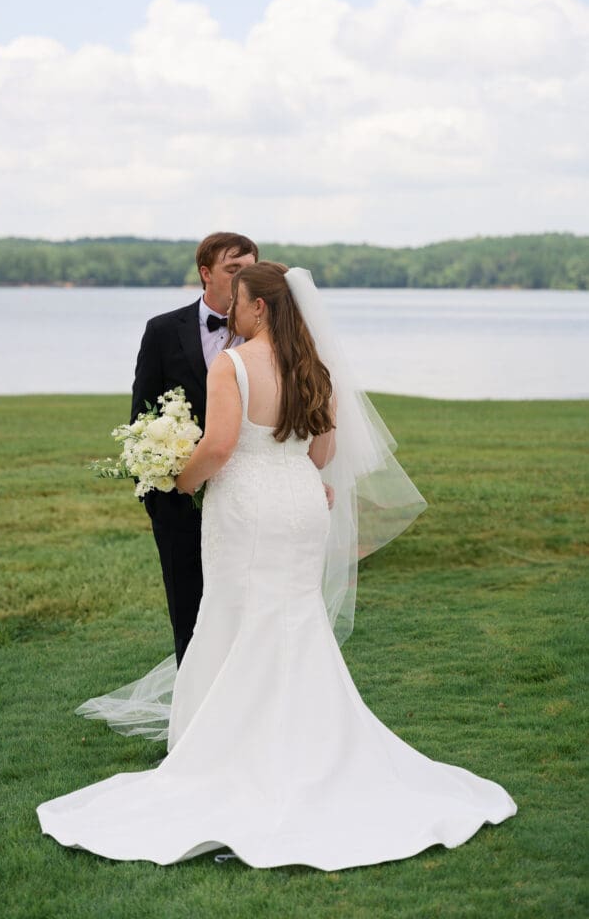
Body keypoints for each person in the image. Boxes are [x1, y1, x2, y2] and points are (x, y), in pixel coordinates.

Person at [37, 262, 517, 869]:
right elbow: (323, 450)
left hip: (248, 508)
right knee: (292, 617)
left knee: (237, 615)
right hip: (299, 502)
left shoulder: (232, 364)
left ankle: (233, 754)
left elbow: (218, 445)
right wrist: (291, 469)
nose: (230, 311)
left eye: (237, 301)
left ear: (259, 307)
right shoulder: (314, 366)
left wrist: (176, 480)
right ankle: (310, 749)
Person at [128, 231, 258, 666]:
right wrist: (156, 494)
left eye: (250, 270)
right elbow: (140, 420)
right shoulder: (162, 331)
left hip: (249, 499)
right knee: (189, 615)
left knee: (248, 611)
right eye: (232, 270)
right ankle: (195, 716)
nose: (243, 280)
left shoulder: (269, 338)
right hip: (179, 504)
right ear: (206, 274)